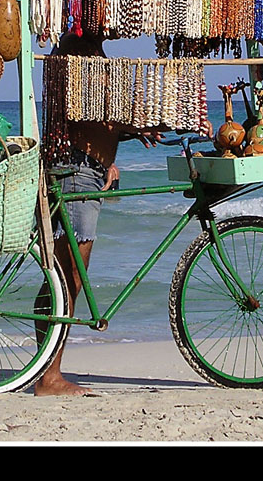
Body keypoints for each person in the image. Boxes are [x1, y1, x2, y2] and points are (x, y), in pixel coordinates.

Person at [33, 30, 162, 397]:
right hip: (77, 171)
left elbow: (96, 117)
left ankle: (45, 369)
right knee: (70, 278)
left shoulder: (88, 49)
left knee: (62, 276)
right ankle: (50, 378)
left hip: (83, 167)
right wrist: (137, 124)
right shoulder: (77, 49)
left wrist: (116, 147)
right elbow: (91, 105)